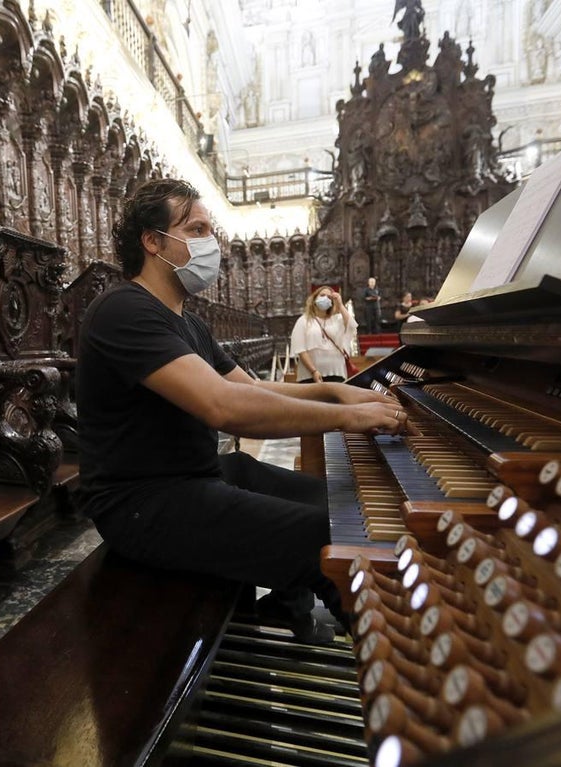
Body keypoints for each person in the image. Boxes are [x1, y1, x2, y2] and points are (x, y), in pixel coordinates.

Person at [75, 179, 407, 645]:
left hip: (195, 476)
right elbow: (224, 406)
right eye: (195, 229)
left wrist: (337, 393)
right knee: (332, 537)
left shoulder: (189, 321)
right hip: (141, 503)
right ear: (152, 241)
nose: (210, 242)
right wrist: (346, 417)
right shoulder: (123, 310)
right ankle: (394, 663)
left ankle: (287, 607)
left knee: (339, 505)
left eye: (210, 230)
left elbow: (250, 388)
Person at [289, 285, 357, 383]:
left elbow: (351, 324)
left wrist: (340, 304)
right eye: (322, 295)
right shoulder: (303, 320)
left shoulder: (337, 319)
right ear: (314, 299)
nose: (325, 298)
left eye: (329, 297)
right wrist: (313, 371)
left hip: (336, 372)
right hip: (310, 375)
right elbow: (301, 350)